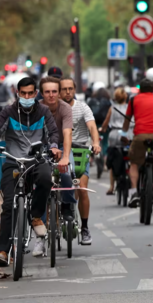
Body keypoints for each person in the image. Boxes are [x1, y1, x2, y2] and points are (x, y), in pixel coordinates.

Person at [0, 77, 61, 267]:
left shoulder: (43, 111)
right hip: (13, 160)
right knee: (9, 204)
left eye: (30, 93)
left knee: (45, 178)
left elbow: (53, 133)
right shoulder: (8, 111)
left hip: (36, 159)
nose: (26, 97)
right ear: (17, 93)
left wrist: (53, 146)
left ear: (36, 94)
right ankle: (3, 250)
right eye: (23, 93)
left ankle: (36, 216)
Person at [33, 76, 74, 257]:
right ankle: (39, 240)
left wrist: (65, 157)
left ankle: (67, 205)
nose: (51, 95)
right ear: (42, 94)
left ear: (59, 93)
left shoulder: (65, 109)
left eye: (54, 91)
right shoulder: (36, 108)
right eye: (47, 92)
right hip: (40, 149)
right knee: (40, 187)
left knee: (66, 173)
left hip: (62, 148)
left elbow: (66, 134)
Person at [60, 77, 102, 245]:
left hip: (80, 152)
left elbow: (92, 126)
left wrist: (96, 143)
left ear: (75, 89)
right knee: (54, 190)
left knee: (82, 189)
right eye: (64, 89)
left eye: (71, 88)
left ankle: (84, 228)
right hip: (60, 153)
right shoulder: (54, 109)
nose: (68, 92)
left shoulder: (83, 107)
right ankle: (52, 226)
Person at [123, 78, 153, 208]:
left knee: (134, 162)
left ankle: (133, 192)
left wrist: (123, 133)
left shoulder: (133, 100)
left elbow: (127, 120)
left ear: (140, 90)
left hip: (140, 136)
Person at [102, 87, 131, 195]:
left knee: (113, 160)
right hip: (126, 135)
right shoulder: (129, 107)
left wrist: (103, 129)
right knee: (129, 155)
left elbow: (106, 122)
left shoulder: (112, 108)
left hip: (114, 135)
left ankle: (111, 186)